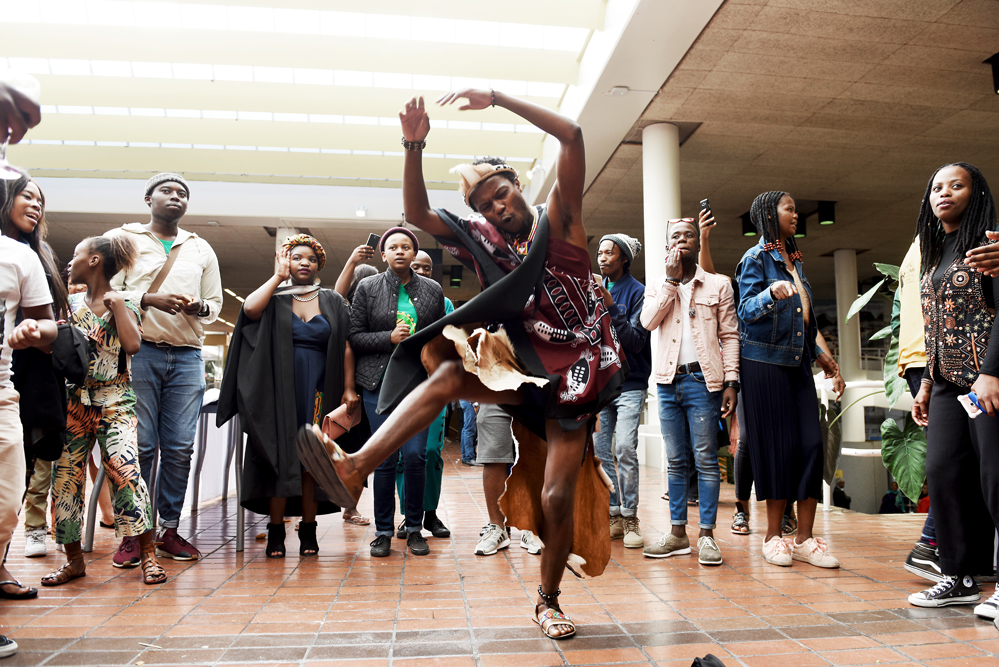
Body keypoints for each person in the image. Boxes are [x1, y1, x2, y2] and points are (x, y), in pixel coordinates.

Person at [298, 89, 626, 640]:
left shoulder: (563, 221)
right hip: (527, 368)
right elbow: (420, 213)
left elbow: (571, 134)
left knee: (555, 495)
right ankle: (355, 468)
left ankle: (547, 601)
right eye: (486, 206)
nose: (496, 208)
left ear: (517, 185)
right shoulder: (485, 242)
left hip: (580, 375)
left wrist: (497, 98)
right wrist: (413, 144)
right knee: (449, 374)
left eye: (500, 195)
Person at [105, 173, 223, 565]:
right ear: (148, 198)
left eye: (183, 193)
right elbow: (105, 292)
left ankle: (168, 530)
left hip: (187, 356)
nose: (176, 197)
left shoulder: (200, 247)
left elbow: (215, 303)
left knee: (179, 449)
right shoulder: (124, 240)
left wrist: (198, 308)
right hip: (140, 354)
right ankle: (134, 533)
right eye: (167, 191)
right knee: (140, 447)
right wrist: (148, 298)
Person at [217, 234, 359, 558]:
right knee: (281, 459)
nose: (304, 263)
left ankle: (308, 530)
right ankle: (276, 531)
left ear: (319, 263)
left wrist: (349, 388)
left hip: (321, 390)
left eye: (310, 258)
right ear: (287, 262)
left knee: (313, 460)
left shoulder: (333, 301)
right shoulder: (276, 297)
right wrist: (277, 277)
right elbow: (248, 311)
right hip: (279, 389)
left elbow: (347, 345)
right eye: (297, 258)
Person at [43, 235, 167, 586]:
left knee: (126, 473)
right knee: (65, 477)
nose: (71, 261)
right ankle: (73, 561)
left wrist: (117, 307)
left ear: (95, 260)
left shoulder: (125, 300)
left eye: (77, 254)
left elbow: (132, 345)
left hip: (116, 399)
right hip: (73, 401)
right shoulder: (67, 304)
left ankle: (148, 557)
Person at [908, 162, 999, 612]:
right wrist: (926, 383)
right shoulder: (934, 251)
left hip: (989, 383)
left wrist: (993, 371)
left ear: (975, 192)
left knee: (995, 479)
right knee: (943, 473)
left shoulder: (991, 244)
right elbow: (935, 327)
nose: (944, 193)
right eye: (936, 187)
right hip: (946, 386)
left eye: (956, 185)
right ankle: (958, 577)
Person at [736, 190, 843, 570]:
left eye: (797, 208)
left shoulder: (793, 260)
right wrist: (769, 293)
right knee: (778, 448)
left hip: (797, 363)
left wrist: (825, 360)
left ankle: (805, 539)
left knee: (812, 445)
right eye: (789, 208)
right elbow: (745, 312)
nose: (796, 214)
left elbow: (805, 321)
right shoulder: (755, 259)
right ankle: (772, 537)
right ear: (768, 213)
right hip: (763, 363)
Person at [640, 216, 739, 565]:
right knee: (676, 461)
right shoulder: (657, 284)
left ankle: (708, 536)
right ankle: (678, 534)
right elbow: (647, 322)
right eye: (675, 236)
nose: (682, 240)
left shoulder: (719, 284)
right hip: (668, 383)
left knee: (707, 460)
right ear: (668, 245)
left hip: (704, 383)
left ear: (698, 243)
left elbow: (729, 336)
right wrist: (669, 281)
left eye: (689, 235)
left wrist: (732, 382)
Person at [348, 227, 445, 558]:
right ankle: (384, 531)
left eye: (407, 247)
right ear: (384, 254)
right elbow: (355, 336)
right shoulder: (367, 287)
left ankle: (414, 527)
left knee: (416, 455)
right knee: (385, 458)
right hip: (378, 384)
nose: (401, 251)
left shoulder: (432, 290)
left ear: (414, 254)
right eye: (394, 247)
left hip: (418, 384)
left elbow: (441, 337)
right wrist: (387, 338)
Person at [1, 172, 69, 560]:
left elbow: (48, 326)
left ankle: (4, 558)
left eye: (40, 200)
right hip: (21, 374)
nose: (36, 205)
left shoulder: (30, 255)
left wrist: (36, 330)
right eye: (27, 196)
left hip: (29, 378)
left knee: (18, 476)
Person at [594, 233, 651, 549]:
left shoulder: (638, 292)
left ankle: (631, 517)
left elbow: (636, 341)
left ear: (624, 258)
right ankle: (614, 514)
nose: (602, 258)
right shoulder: (594, 291)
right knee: (600, 451)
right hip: (601, 384)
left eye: (609, 253)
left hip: (630, 383)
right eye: (599, 252)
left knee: (625, 448)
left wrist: (611, 303)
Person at [395, 250, 452, 539]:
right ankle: (409, 516)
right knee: (404, 456)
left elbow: (454, 344)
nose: (422, 271)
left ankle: (429, 515)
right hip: (397, 388)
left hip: (433, 388)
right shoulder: (389, 299)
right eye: (417, 266)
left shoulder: (444, 303)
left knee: (429, 452)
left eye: (427, 268)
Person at [473, 403, 542, 557]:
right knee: (492, 453)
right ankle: (497, 527)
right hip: (495, 390)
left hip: (534, 388)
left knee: (533, 453)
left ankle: (531, 527)